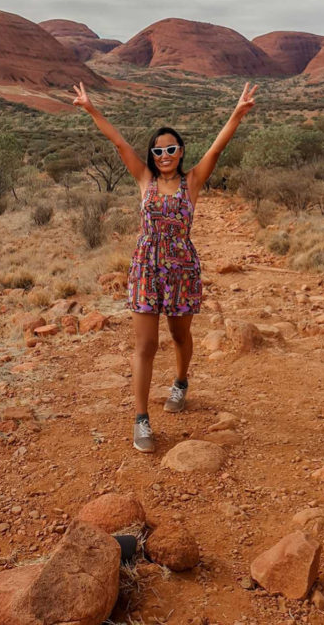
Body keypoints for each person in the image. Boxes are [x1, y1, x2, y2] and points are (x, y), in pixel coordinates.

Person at [72, 80, 258, 453]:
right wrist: (91, 109)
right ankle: (141, 420)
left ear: (181, 151)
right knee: (145, 344)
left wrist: (236, 114)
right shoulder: (145, 180)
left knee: (178, 337)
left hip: (181, 269)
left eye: (171, 149)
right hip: (147, 266)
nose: (165, 154)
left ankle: (181, 381)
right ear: (153, 155)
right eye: (158, 150)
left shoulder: (192, 182)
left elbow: (218, 147)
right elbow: (120, 143)